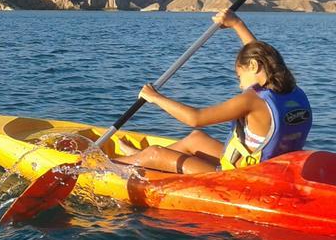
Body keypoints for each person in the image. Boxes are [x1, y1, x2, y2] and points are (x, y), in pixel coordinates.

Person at [117, 10, 312, 174]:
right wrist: (236, 24)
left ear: (253, 66)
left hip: (239, 178)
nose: (240, 85)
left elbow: (196, 118)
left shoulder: (252, 100)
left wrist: (155, 98)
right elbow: (262, 55)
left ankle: (108, 169)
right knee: (195, 138)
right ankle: (136, 158)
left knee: (155, 153)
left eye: (239, 77)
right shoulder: (293, 91)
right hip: (265, 170)